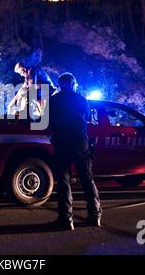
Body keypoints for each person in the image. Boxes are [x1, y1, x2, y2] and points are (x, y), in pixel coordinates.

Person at [48, 72, 102, 230]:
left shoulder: (53, 100)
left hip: (62, 142)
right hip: (80, 143)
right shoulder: (81, 99)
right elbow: (86, 118)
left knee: (63, 180)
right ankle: (95, 216)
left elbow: (49, 121)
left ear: (60, 84)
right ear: (73, 84)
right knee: (87, 178)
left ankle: (66, 219)